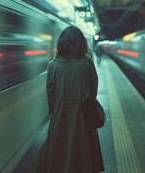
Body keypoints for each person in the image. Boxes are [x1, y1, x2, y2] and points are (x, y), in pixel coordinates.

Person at [42, 26, 104, 173]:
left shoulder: (52, 66)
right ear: (81, 43)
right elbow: (93, 93)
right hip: (83, 116)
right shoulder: (87, 64)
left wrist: (55, 110)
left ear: (61, 43)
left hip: (60, 116)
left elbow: (51, 94)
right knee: (83, 153)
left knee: (60, 153)